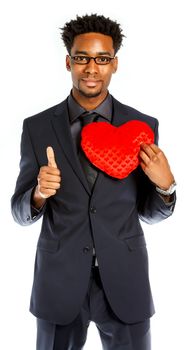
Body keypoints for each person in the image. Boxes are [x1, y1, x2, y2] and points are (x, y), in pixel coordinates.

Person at [11, 13, 176, 350]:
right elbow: (18, 210)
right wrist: (39, 194)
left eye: (102, 59)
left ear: (114, 64)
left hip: (124, 281)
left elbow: (149, 212)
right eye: (82, 58)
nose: (91, 68)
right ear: (68, 61)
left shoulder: (142, 125)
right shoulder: (37, 127)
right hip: (59, 282)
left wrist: (166, 187)